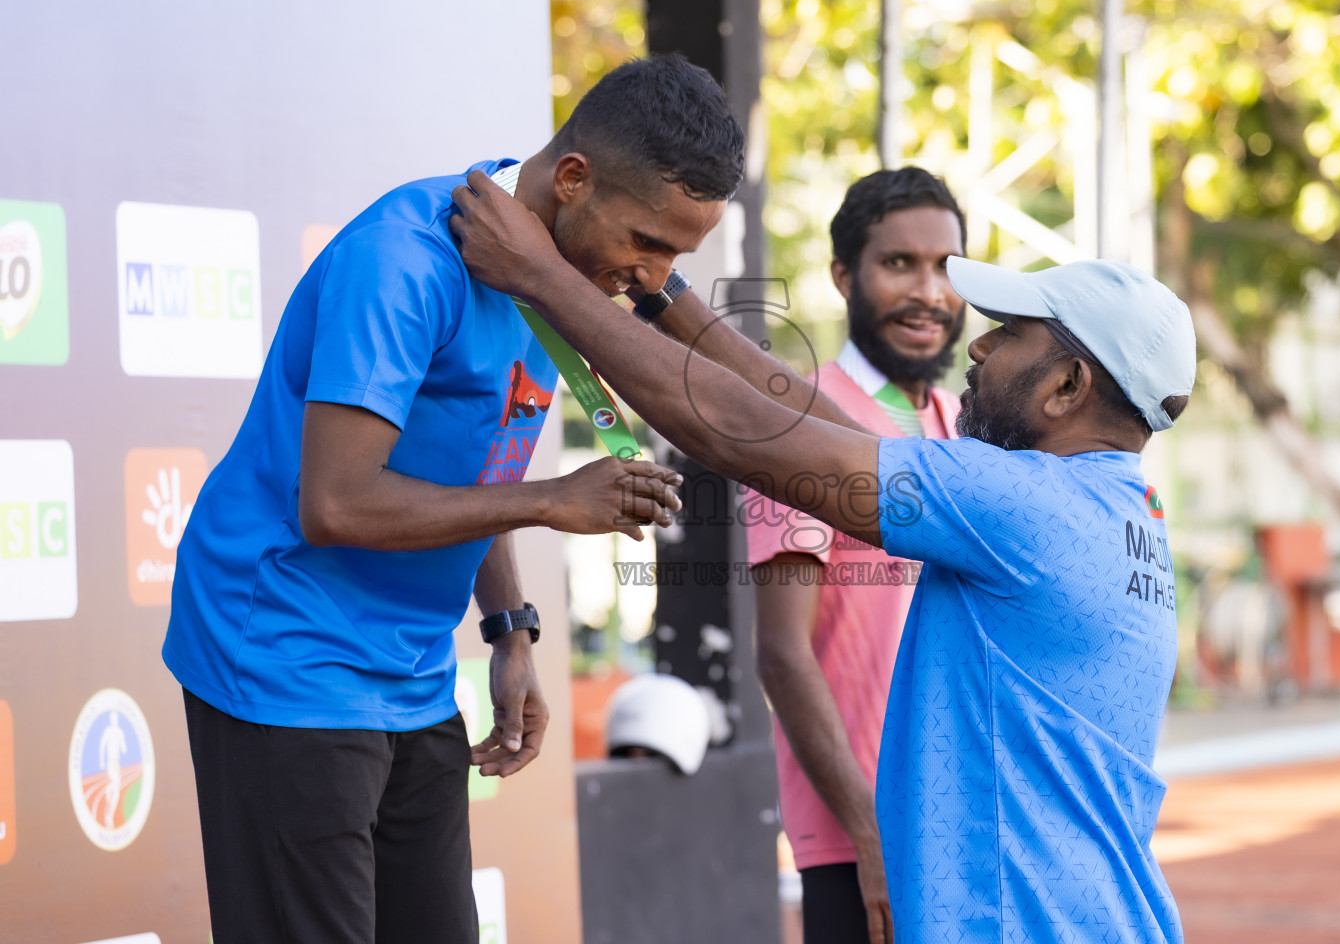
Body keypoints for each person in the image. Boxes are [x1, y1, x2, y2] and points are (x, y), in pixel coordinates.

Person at [452, 177, 1197, 943]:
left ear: (1069, 385)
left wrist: (538, 278)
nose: (977, 344)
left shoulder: (1019, 502)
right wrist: (662, 291)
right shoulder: (1122, 509)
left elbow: (741, 431)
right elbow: (820, 424)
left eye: (1009, 335)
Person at [161, 54, 743, 944]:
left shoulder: (554, 270)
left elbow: (482, 460)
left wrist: (510, 627)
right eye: (647, 243)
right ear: (575, 180)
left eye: (675, 255)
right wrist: (552, 502)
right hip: (285, 653)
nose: (654, 276)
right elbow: (339, 505)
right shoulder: (406, 258)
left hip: (413, 672)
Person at [748, 168, 965, 944]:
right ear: (845, 276)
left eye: (944, 266)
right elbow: (781, 654)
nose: (929, 291)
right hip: (859, 838)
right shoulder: (800, 421)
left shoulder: (967, 427)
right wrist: (871, 834)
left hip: (962, 822)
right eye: (899, 263)